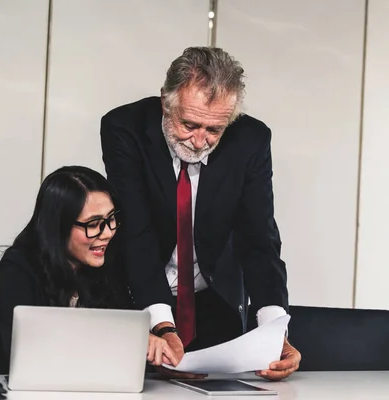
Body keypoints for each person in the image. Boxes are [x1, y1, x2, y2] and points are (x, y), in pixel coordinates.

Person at [100, 47, 301, 381]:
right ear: (166, 102)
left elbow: (259, 238)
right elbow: (137, 231)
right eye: (189, 124)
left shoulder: (251, 140)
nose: (198, 141)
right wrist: (162, 324)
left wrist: (274, 331)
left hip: (212, 300)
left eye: (214, 130)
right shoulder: (125, 128)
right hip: (138, 297)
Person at [0, 166, 177, 371]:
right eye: (93, 224)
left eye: (111, 218)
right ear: (58, 227)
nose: (107, 233)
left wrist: (143, 341)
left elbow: (121, 327)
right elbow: (21, 352)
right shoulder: (19, 267)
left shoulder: (108, 262)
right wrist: (122, 337)